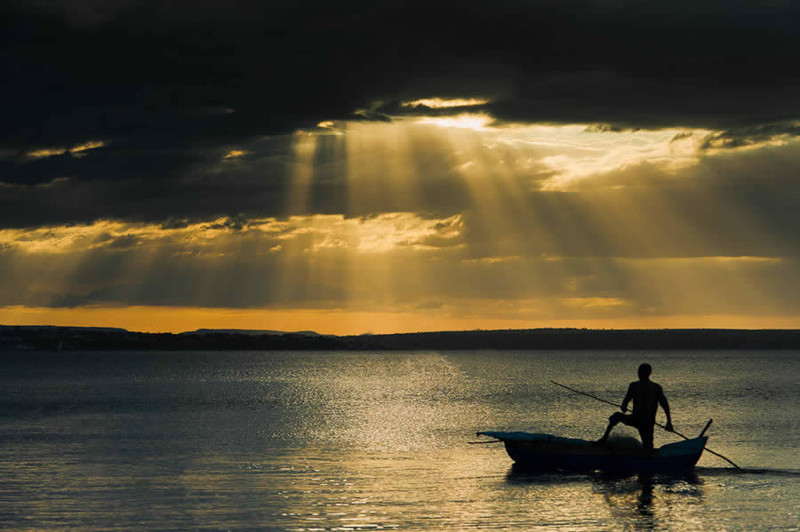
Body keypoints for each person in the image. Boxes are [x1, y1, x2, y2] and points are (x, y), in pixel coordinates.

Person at [594, 363, 673, 451]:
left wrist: (624, 407)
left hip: (638, 420)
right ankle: (605, 439)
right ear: (649, 373)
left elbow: (624, 405)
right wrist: (668, 422)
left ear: (639, 373)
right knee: (648, 446)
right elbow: (665, 405)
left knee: (616, 416)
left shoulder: (634, 386)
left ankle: (604, 439)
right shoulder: (656, 387)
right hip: (647, 422)